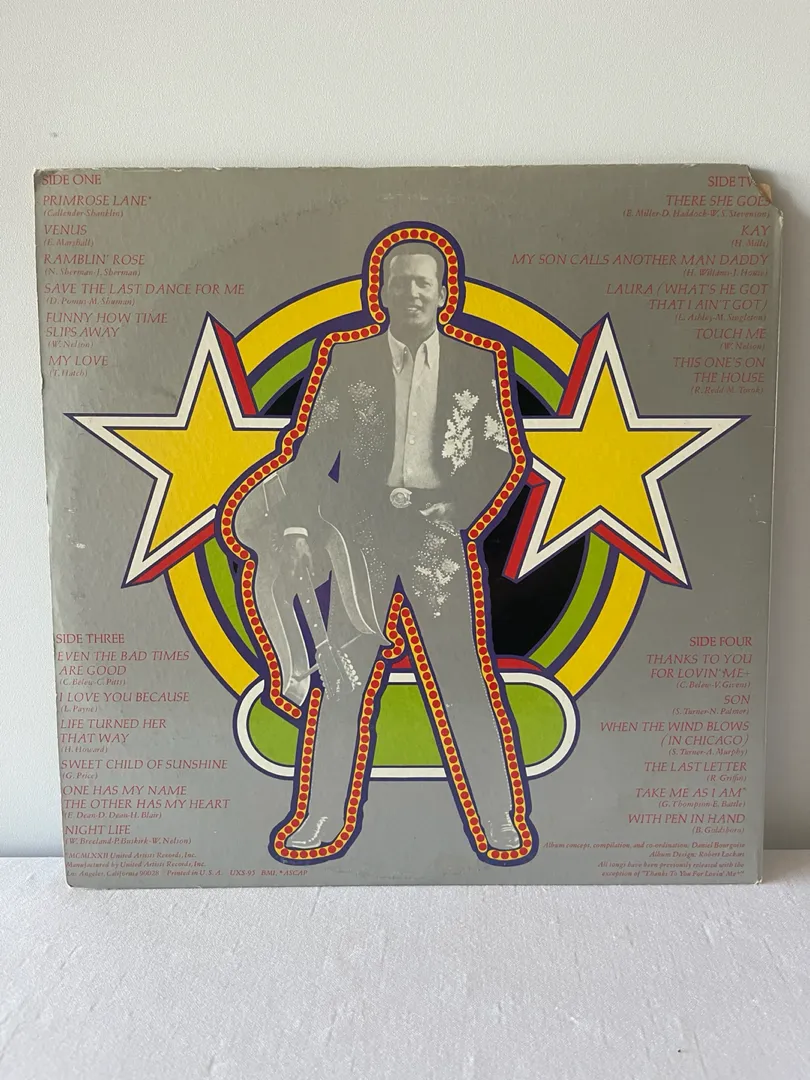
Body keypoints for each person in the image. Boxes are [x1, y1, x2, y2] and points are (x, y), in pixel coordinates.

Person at [236, 241, 522, 852]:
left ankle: (499, 818)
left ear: (444, 293)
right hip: (357, 542)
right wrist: (295, 530)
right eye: (400, 282)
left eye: (424, 282)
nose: (412, 292)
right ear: (382, 291)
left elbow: (501, 455)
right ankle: (320, 817)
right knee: (342, 680)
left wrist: (459, 513)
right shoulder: (348, 357)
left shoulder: (479, 360)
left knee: (463, 677)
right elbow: (312, 452)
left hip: (436, 539)